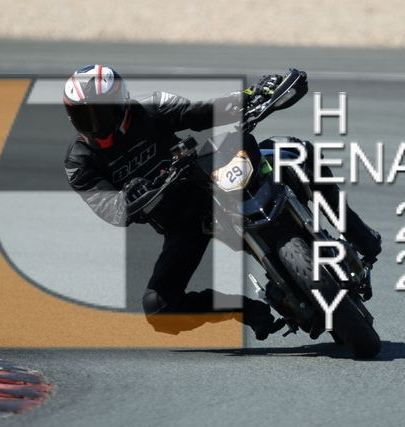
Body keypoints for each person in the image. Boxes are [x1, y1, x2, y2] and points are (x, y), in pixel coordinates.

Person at [63, 64, 381, 340]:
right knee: (158, 307)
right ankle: (242, 309)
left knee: (292, 151)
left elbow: (203, 112)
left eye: (100, 111)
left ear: (121, 103)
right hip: (182, 221)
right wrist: (126, 197)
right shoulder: (79, 161)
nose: (94, 122)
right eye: (83, 114)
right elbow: (108, 209)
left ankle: (358, 232)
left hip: (208, 178)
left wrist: (251, 96)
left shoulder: (150, 108)